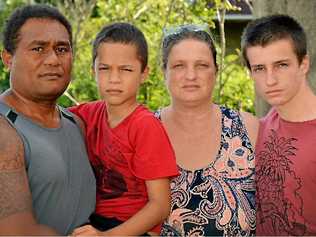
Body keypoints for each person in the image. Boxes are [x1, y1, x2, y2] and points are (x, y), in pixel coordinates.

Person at [69, 22, 179, 236]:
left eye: (126, 70)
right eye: (104, 68)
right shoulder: (89, 114)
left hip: (134, 228)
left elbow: (160, 206)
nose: (114, 79)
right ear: (93, 71)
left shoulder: (145, 126)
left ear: (144, 74)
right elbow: (44, 116)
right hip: (94, 219)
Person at [0, 4, 96, 235]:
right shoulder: (5, 130)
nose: (53, 59)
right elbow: (17, 232)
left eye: (62, 49)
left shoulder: (76, 123)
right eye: (38, 49)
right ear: (8, 58)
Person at [156, 24, 258, 236]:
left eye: (202, 65)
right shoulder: (143, 131)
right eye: (179, 66)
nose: (191, 75)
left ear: (216, 71)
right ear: (163, 71)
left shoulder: (249, 129)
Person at [241, 14, 316, 236]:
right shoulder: (260, 128)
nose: (270, 80)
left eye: (281, 65)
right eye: (259, 69)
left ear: (304, 64)